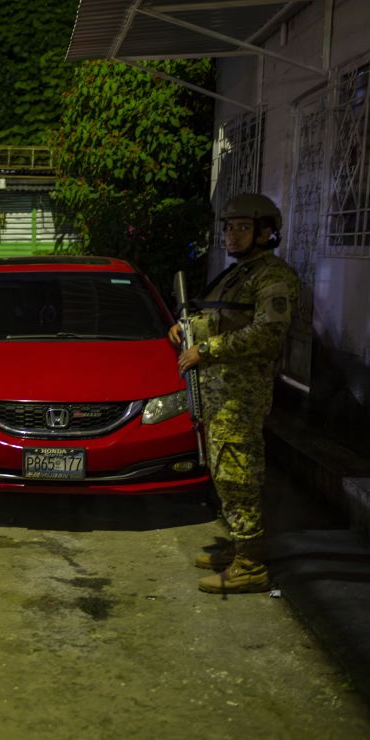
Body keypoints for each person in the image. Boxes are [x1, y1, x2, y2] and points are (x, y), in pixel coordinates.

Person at [169, 192, 301, 594]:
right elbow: (217, 315)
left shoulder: (273, 277)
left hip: (239, 397)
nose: (232, 235)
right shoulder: (237, 273)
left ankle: (250, 565)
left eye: (243, 227)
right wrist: (185, 328)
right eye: (228, 227)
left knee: (238, 473)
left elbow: (266, 334)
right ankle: (242, 544)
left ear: (266, 232)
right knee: (224, 473)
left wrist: (206, 350)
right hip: (217, 394)